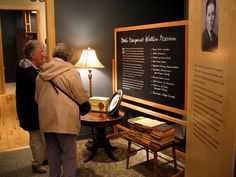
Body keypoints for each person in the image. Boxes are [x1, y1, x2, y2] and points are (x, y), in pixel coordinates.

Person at [35, 43, 89, 177]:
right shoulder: (71, 72)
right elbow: (81, 96)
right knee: (68, 155)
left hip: (47, 120)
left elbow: (37, 98)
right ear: (68, 57)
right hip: (66, 120)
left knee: (52, 154)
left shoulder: (41, 73)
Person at [16, 40, 48, 173]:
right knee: (36, 139)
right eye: (42, 52)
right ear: (33, 55)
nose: (44, 55)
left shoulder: (28, 67)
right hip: (30, 112)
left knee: (43, 137)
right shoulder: (28, 73)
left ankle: (44, 158)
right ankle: (37, 163)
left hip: (34, 111)